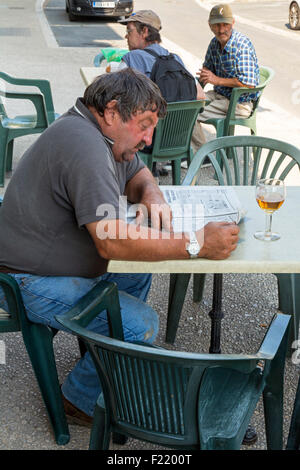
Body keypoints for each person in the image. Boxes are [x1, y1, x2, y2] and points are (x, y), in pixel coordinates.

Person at [0, 69, 239, 426]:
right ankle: (78, 399)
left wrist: (153, 195)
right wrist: (196, 243)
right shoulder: (84, 143)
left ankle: (108, 359)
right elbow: (110, 239)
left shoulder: (98, 132)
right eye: (144, 125)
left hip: (49, 267)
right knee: (140, 324)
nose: (148, 138)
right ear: (112, 112)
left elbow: (137, 172)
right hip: (24, 281)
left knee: (136, 271)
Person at [118, 9, 206, 175]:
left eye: (129, 31)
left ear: (144, 31)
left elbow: (115, 95)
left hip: (147, 140)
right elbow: (200, 95)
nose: (126, 36)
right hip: (177, 141)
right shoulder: (174, 59)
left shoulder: (132, 58)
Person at [192, 3, 260, 151]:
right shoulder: (214, 43)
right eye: (217, 25)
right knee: (187, 106)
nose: (221, 30)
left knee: (191, 115)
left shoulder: (242, 45)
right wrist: (195, 90)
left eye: (225, 24)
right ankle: (197, 151)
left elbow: (249, 83)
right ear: (210, 25)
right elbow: (206, 70)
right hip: (220, 96)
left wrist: (216, 80)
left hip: (240, 103)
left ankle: (204, 155)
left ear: (233, 23)